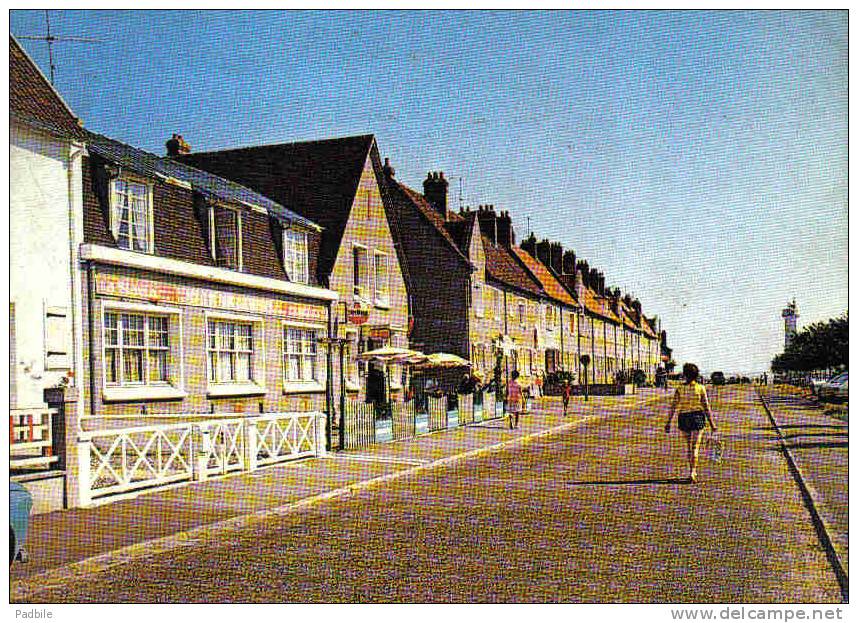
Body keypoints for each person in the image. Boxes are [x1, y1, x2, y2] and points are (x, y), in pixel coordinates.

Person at [663, 363, 718, 483]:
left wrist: (668, 422)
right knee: (695, 446)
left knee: (689, 446)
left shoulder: (680, 389)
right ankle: (693, 471)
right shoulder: (701, 388)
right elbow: (706, 407)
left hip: (684, 417)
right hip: (697, 417)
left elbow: (673, 406)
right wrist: (712, 424)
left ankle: (691, 470)